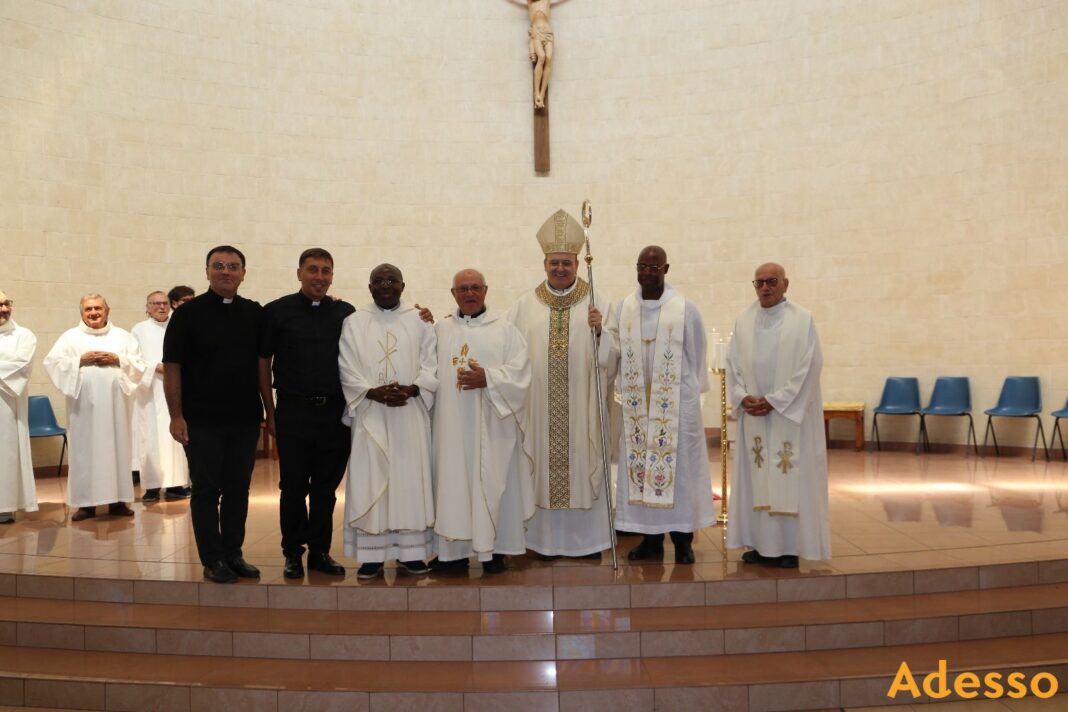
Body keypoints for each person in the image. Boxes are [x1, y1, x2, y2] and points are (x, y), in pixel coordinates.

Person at [506, 209, 616, 559]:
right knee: (539, 470)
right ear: (544, 264)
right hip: (539, 412)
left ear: (577, 264)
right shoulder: (523, 307)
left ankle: (588, 543)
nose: (560, 268)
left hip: (582, 411)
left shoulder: (597, 302)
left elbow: (614, 357)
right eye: (554, 262)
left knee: (582, 466)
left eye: (566, 263)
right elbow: (507, 352)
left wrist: (601, 333)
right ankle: (543, 542)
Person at [605, 246, 715, 564]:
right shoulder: (624, 308)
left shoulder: (685, 309)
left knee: (680, 477)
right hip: (637, 412)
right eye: (642, 266)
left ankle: (683, 542)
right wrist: (599, 332)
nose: (647, 273)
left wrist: (686, 398)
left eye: (654, 267)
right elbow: (613, 353)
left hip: (675, 410)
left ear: (666, 269)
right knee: (641, 474)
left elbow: (697, 356)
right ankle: (650, 540)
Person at [163, 246, 264, 584]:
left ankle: (233, 553)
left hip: (244, 418)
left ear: (243, 273)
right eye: (218, 265)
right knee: (206, 490)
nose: (225, 271)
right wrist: (176, 415)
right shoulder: (187, 315)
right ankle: (212, 558)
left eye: (233, 266)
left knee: (238, 489)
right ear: (206, 271)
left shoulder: (254, 312)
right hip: (201, 419)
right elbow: (172, 366)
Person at [726, 262, 830, 568]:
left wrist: (776, 401)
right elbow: (732, 365)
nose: (765, 287)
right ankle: (761, 545)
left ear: (785, 284)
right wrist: (743, 397)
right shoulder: (744, 320)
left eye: (771, 281)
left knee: (789, 479)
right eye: (759, 283)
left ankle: (789, 548)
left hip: (788, 416)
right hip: (755, 415)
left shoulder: (802, 319)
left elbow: (810, 366)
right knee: (758, 480)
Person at [259, 248, 354, 579]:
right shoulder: (276, 311)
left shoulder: (345, 312)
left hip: (334, 414)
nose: (319, 277)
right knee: (293, 486)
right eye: (313, 269)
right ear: (299, 273)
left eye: (326, 271)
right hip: (293, 411)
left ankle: (320, 551)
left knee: (326, 489)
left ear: (332, 276)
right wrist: (269, 411)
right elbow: (263, 361)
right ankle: (292, 552)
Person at [339, 264, 437, 580]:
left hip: (409, 412)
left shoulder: (420, 320)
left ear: (402, 286)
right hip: (371, 412)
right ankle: (372, 556)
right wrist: (372, 393)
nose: (385, 285)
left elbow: (431, 363)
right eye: (378, 281)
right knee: (371, 480)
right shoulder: (354, 322)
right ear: (369, 287)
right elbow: (346, 366)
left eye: (391, 280)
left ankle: (411, 553)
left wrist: (413, 388)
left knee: (409, 481)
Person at [432, 269, 533, 574]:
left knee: (495, 482)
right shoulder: (440, 331)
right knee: (454, 485)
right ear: (453, 294)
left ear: (486, 291)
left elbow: (521, 373)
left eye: (475, 287)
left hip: (494, 428)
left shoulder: (505, 331)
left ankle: (496, 552)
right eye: (463, 289)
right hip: (452, 429)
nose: (470, 293)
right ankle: (453, 555)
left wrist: (489, 378)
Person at [43, 294, 145, 521]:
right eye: (88, 309)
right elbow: (52, 363)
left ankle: (118, 502)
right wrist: (80, 360)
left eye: (98, 308)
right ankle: (85, 505)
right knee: (84, 452)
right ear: (81, 312)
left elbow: (139, 364)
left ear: (107, 310)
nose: (93, 313)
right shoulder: (70, 337)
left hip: (116, 408)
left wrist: (119, 360)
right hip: (83, 409)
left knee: (118, 448)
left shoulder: (123, 337)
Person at [131, 291, 190, 503]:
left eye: (164, 303)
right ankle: (152, 487)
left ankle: (177, 485)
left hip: (176, 389)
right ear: (147, 307)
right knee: (151, 438)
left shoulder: (179, 325)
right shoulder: (138, 330)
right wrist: (155, 367)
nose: (161, 307)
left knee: (176, 439)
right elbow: (132, 360)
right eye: (155, 303)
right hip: (150, 392)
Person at [0, 291, 38, 523]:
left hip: (7, 404)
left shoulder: (24, 336)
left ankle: (5, 505)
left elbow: (20, 366)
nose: (4, 309)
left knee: (6, 451)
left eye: (7, 304)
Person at [528, 0, 554, 109]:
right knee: (542, 57)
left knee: (549, 58)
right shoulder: (530, 1)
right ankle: (536, 93)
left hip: (547, 31)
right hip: (536, 31)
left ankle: (542, 94)